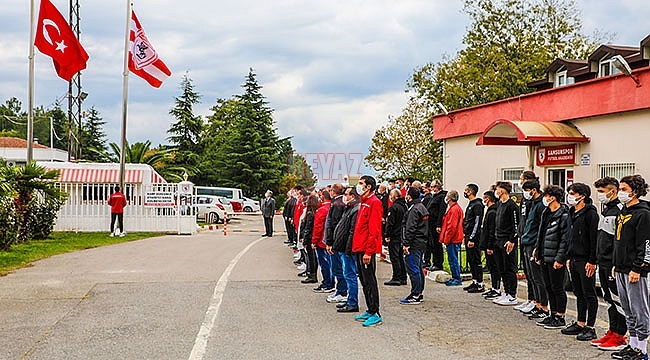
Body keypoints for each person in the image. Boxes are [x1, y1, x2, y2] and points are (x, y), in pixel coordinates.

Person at [610, 175, 650, 360]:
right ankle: (632, 344)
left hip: (634, 270)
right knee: (627, 308)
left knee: (639, 309)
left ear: (634, 192)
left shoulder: (643, 214)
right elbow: (618, 241)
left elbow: (645, 244)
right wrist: (615, 264)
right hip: (620, 267)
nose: (620, 192)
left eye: (624, 189)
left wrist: (639, 268)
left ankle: (642, 349)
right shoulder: (623, 211)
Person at [591, 177, 627, 351]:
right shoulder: (606, 210)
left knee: (617, 300)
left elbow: (619, 240)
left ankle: (620, 336)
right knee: (608, 299)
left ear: (613, 190)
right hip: (603, 261)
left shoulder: (620, 210)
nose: (600, 195)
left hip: (613, 263)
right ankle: (612, 331)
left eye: (602, 191)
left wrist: (615, 262)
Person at [561, 183, 599, 341]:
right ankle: (580, 322)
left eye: (572, 193)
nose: (570, 196)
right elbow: (570, 237)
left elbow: (594, 239)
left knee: (589, 293)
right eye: (569, 193)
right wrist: (568, 257)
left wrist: (592, 260)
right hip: (574, 259)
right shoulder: (571, 212)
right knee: (578, 293)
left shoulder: (591, 214)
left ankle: (591, 327)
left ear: (582, 195)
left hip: (586, 260)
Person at [535, 185, 571, 329]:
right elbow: (541, 234)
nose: (545, 198)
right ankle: (552, 313)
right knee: (548, 286)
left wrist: (560, 258)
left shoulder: (563, 214)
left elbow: (564, 239)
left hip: (555, 256)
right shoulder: (546, 212)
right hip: (545, 255)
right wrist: (538, 252)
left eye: (547, 195)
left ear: (553, 197)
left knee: (557, 288)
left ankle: (560, 316)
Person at [352, 175, 384, 327]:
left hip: (366, 249)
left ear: (369, 186)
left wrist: (369, 252)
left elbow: (374, 229)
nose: (358, 186)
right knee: (363, 281)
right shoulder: (364, 202)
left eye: (361, 183)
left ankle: (375, 311)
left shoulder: (374, 203)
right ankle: (370, 309)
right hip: (359, 246)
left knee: (370, 280)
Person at [518, 179, 549, 320]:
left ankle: (543, 306)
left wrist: (537, 246)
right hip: (527, 241)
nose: (525, 193)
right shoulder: (532, 203)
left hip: (533, 243)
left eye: (527, 190)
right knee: (531, 276)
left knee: (538, 277)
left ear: (533, 190)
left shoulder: (541, 204)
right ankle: (536, 303)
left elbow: (541, 227)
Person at [332, 187, 361, 313]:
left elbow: (351, 232)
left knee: (350, 275)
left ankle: (353, 302)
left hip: (347, 249)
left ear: (353, 196)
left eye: (347, 194)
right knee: (347, 274)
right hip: (343, 247)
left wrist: (348, 250)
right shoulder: (349, 208)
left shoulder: (355, 209)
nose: (345, 197)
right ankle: (350, 299)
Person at [492, 181, 520, 306]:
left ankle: (512, 294)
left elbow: (516, 225)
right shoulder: (499, 204)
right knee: (501, 267)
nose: (496, 192)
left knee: (509, 268)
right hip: (498, 240)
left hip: (507, 240)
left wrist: (512, 240)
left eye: (497, 189)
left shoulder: (512, 206)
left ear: (502, 190)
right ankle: (506, 291)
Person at [400, 187, 429, 304]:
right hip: (421, 242)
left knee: (413, 268)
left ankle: (415, 294)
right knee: (418, 268)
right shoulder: (422, 207)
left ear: (409, 196)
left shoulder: (414, 209)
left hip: (414, 243)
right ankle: (419, 292)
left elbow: (410, 227)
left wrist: (406, 243)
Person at [517, 171, 539, 312]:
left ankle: (537, 301)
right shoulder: (524, 199)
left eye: (521, 179)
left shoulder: (535, 200)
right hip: (524, 238)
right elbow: (522, 218)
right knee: (528, 273)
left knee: (535, 275)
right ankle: (530, 299)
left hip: (532, 240)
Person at [324, 183, 348, 304]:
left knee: (337, 267)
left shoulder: (337, 204)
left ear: (333, 191)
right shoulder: (339, 202)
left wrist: (329, 242)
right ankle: (342, 290)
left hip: (335, 241)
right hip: (338, 240)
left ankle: (342, 291)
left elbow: (333, 224)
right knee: (339, 266)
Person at [462, 184, 485, 293]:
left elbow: (477, 223)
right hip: (467, 235)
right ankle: (475, 281)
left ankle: (480, 283)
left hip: (474, 237)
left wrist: (472, 238)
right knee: (470, 260)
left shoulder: (477, 205)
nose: (465, 192)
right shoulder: (470, 204)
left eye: (466, 190)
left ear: (470, 192)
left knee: (476, 260)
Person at [439, 190, 464, 286]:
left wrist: (446, 239)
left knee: (453, 259)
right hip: (455, 237)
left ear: (449, 198)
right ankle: (455, 277)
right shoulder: (456, 208)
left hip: (453, 238)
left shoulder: (453, 210)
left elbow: (451, 226)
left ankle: (456, 277)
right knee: (452, 258)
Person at [480, 190, 501, 299]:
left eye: (485, 198)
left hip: (491, 245)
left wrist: (489, 246)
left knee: (494, 267)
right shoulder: (489, 211)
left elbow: (492, 230)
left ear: (488, 199)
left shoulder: (492, 212)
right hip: (487, 243)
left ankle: (496, 288)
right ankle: (493, 288)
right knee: (491, 267)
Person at [312, 189, 334, 293]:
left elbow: (318, 227)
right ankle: (331, 282)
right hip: (331, 239)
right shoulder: (333, 207)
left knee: (324, 263)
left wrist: (314, 241)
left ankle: (327, 283)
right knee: (331, 263)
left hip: (322, 240)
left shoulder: (322, 209)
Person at [384, 189, 407, 286]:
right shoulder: (404, 207)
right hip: (401, 235)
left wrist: (387, 234)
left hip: (394, 235)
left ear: (394, 196)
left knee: (395, 257)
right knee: (400, 257)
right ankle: (403, 277)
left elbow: (390, 223)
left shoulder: (394, 208)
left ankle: (396, 277)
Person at [426, 179, 447, 271]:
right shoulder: (434, 196)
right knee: (432, 244)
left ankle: (438, 263)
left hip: (435, 223)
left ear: (437, 187)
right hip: (430, 223)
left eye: (433, 187)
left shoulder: (441, 197)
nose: (431, 188)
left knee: (436, 244)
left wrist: (439, 224)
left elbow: (441, 211)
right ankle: (433, 261)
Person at [299, 194, 320, 284]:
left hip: (310, 238)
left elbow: (308, 228)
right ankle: (312, 274)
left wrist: (304, 240)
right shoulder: (315, 212)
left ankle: (312, 275)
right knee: (312, 257)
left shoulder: (310, 214)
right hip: (311, 237)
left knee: (311, 258)